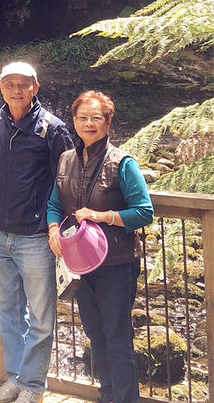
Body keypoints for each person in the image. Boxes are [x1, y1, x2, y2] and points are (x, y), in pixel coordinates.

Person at [47, 90, 153, 403]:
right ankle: (108, 396)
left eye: (96, 118)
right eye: (82, 118)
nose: (89, 124)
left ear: (108, 122)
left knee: (117, 338)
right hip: (81, 266)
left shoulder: (122, 163)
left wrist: (102, 215)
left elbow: (144, 212)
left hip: (117, 264)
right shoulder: (66, 160)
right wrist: (53, 229)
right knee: (95, 336)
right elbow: (54, 203)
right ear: (74, 121)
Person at [0, 62, 74, 403]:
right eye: (9, 84)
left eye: (23, 84)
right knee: (6, 311)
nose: (16, 90)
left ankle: (33, 386)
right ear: (1, 88)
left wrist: (56, 226)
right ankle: (15, 378)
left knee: (40, 316)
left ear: (35, 87)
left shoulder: (52, 129)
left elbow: (67, 179)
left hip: (36, 237)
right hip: (0, 234)